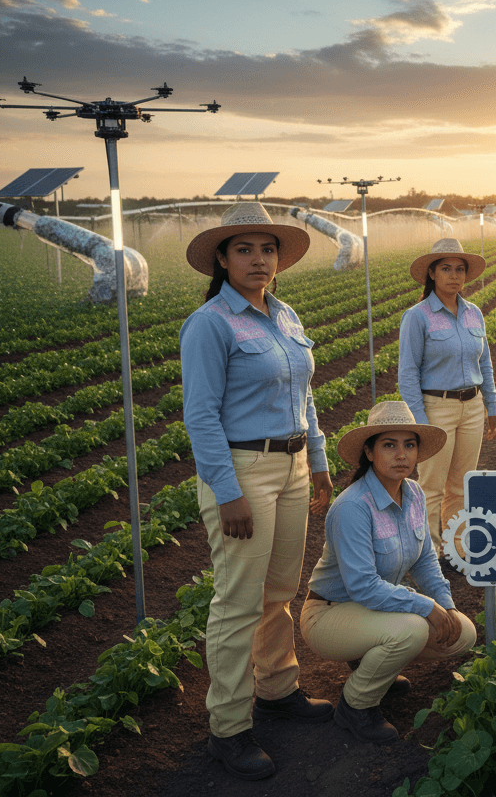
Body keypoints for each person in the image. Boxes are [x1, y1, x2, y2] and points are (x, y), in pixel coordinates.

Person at [180, 202, 334, 781]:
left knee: (279, 589)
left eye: (267, 249)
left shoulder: (285, 314)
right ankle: (229, 727)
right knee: (238, 601)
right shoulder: (212, 323)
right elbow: (201, 415)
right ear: (222, 259)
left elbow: (306, 395)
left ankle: (276, 689)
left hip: (293, 466)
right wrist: (227, 490)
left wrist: (317, 463)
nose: (258, 259)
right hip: (244, 470)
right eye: (244, 249)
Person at [300, 400, 477, 744]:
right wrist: (427, 607)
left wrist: (447, 606)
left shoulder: (413, 493)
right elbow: (363, 587)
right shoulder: (353, 507)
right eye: (389, 445)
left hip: (372, 609)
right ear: (369, 452)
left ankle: (372, 662)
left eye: (409, 445)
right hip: (329, 614)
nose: (401, 455)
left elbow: (426, 561)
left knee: (463, 633)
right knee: (410, 629)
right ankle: (356, 705)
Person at [398, 238, 496, 545]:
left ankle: (457, 547)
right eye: (446, 269)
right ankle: (430, 553)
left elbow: (485, 364)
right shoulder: (417, 316)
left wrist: (492, 406)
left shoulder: (474, 314)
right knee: (432, 486)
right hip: (436, 408)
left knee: (462, 485)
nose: (454, 275)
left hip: (472, 406)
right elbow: (407, 375)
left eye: (460, 269)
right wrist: (420, 422)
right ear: (432, 273)